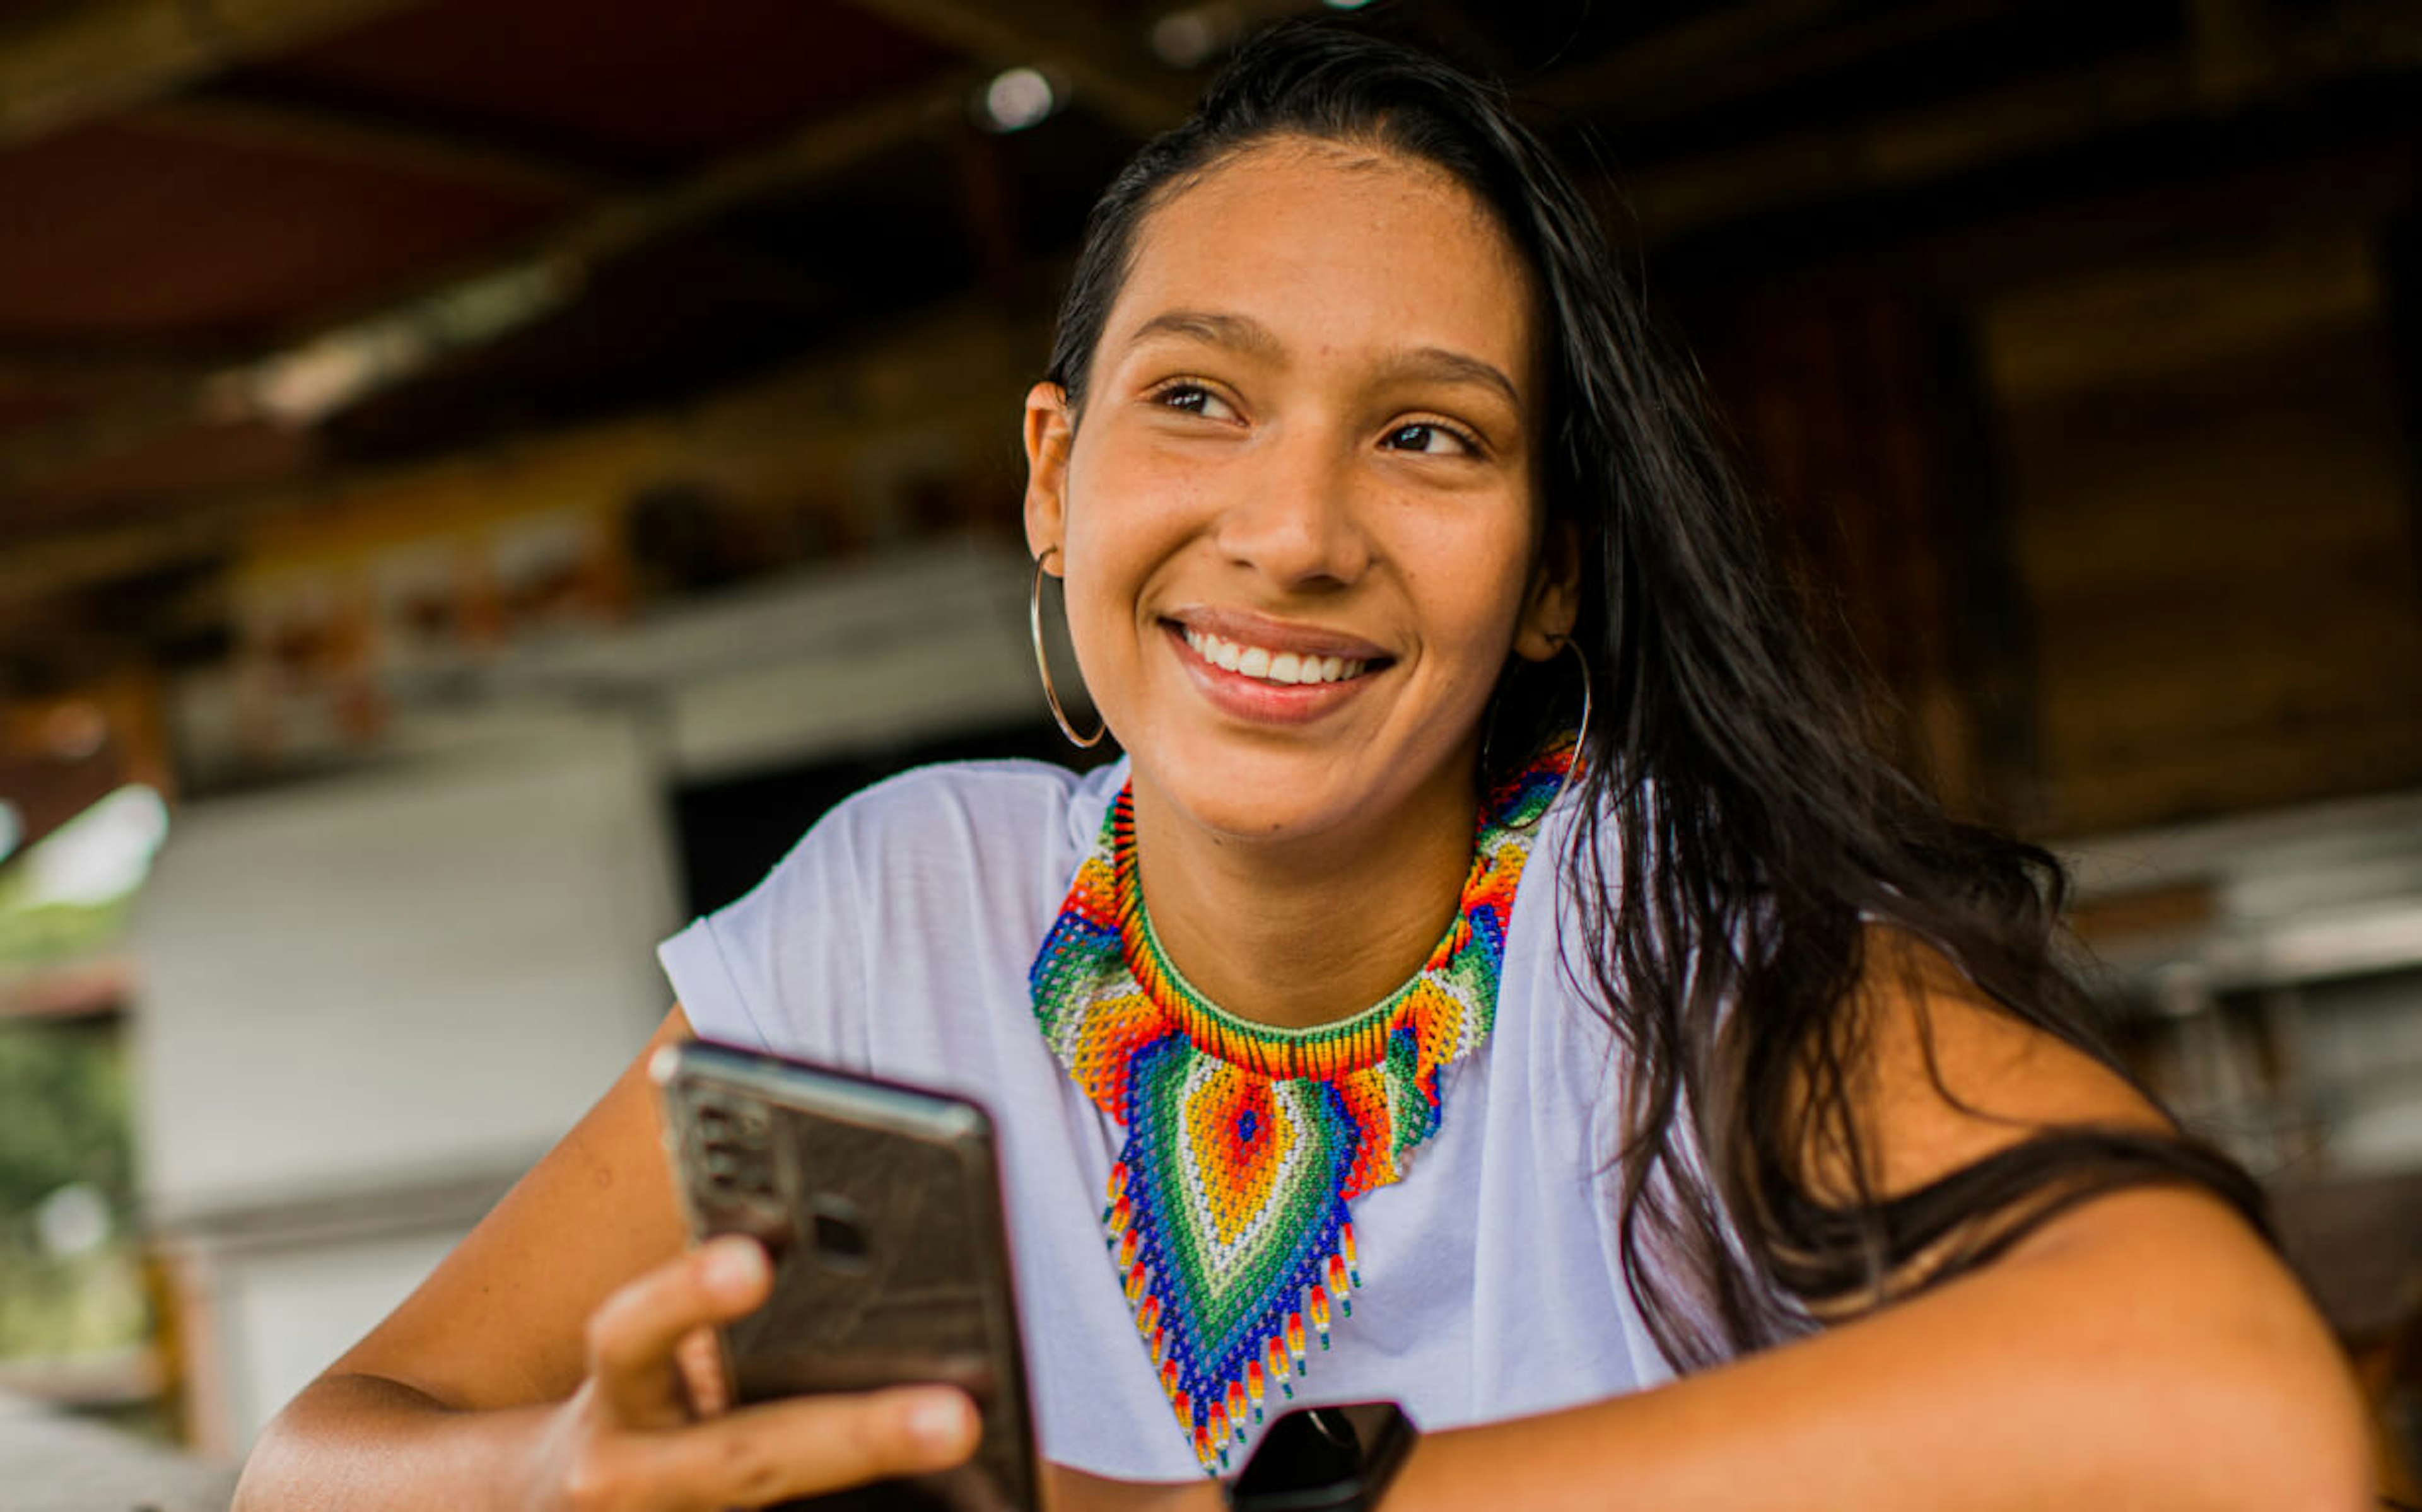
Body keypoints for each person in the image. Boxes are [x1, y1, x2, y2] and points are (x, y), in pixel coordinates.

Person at [233, 24, 2373, 1512]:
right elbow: (322, 1459)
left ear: (1550, 580)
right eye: (1200, 400)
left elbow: (2242, 1412)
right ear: (1055, 482)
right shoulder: (893, 913)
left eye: (1430, 435)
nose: (1293, 530)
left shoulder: (1664, 943)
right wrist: (556, 1479)